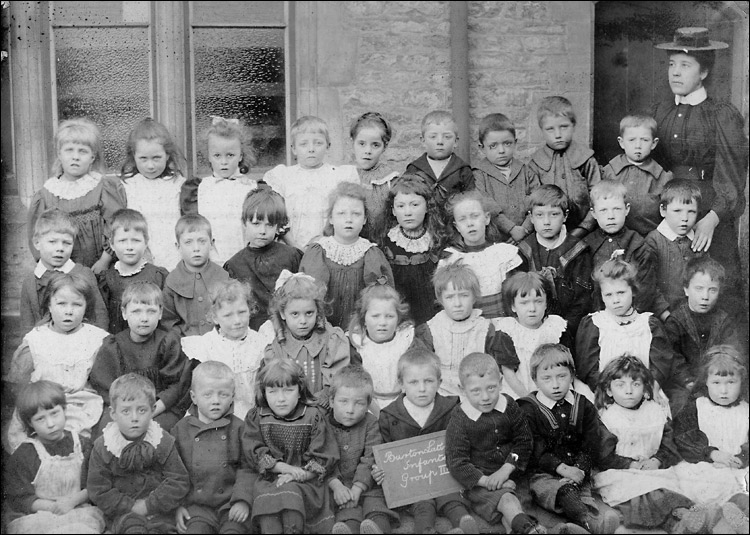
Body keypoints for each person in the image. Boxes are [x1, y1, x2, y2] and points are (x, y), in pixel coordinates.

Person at [652, 27, 748, 328]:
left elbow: (733, 174)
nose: (675, 73)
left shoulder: (721, 114)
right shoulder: (663, 111)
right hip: (674, 208)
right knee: (672, 285)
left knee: (714, 288)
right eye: (671, 65)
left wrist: (713, 218)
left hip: (710, 210)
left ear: (704, 71)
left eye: (685, 65)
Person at [593, 355, 714, 534]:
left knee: (665, 488)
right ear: (609, 391)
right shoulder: (607, 417)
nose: (629, 391)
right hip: (620, 472)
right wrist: (630, 464)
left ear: (645, 387)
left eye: (636, 384)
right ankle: (678, 523)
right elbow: (603, 456)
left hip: (654, 468)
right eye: (620, 385)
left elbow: (670, 446)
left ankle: (688, 520)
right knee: (643, 495)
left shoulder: (655, 412)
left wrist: (657, 460)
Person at [446, 353, 558, 535]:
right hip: (481, 483)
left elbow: (523, 441)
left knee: (517, 504)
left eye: (491, 388)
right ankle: (530, 529)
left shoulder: (509, 405)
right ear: (462, 388)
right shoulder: (460, 418)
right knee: (507, 501)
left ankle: (524, 528)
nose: (485, 397)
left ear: (500, 381)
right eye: (476, 391)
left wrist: (507, 469)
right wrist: (489, 482)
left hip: (513, 474)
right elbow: (458, 462)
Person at [517, 344, 620, 533]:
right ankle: (589, 525)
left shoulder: (583, 404)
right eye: (546, 378)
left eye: (562, 376)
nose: (555, 384)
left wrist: (580, 469)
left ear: (571, 375)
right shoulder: (528, 409)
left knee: (584, 494)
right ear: (535, 379)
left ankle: (590, 524)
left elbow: (591, 443)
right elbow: (534, 448)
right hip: (544, 473)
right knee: (564, 493)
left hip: (578, 469)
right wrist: (562, 469)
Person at [374, 348, 476, 534]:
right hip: (412, 484)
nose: (422, 389)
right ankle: (426, 530)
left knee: (452, 498)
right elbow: (384, 453)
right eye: (413, 382)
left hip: (446, 476)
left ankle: (464, 524)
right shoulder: (389, 416)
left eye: (428, 381)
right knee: (422, 504)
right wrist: (379, 468)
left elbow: (463, 441)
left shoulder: (451, 409)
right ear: (401, 384)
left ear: (439, 382)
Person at [5, 272, 109, 453]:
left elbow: (105, 381)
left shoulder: (96, 338)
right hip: (40, 404)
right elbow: (19, 385)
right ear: (49, 306)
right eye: (61, 304)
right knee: (26, 446)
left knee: (71, 444)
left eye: (77, 304)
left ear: (86, 307)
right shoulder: (37, 339)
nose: (69, 311)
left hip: (79, 404)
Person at [242, 357, 339, 534]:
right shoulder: (257, 417)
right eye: (273, 392)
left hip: (307, 482)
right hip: (271, 478)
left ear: (300, 390)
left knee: (290, 497)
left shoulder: (313, 416)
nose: (281, 399)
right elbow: (253, 450)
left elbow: (324, 456)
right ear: (264, 392)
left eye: (288, 390)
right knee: (269, 506)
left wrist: (299, 475)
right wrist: (284, 468)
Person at [576, 258, 685, 414]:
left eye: (621, 293)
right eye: (608, 295)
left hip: (645, 393)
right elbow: (588, 369)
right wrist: (610, 392)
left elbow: (661, 365)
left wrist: (650, 388)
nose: (616, 300)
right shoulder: (595, 324)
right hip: (604, 394)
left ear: (633, 291)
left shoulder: (648, 324)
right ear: (601, 296)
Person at [87, 373, 190, 533]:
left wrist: (149, 505)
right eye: (126, 411)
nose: (134, 418)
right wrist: (130, 506)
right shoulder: (104, 446)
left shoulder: (162, 440)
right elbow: (99, 489)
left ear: (153, 409)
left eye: (142, 410)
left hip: (160, 511)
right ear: (113, 413)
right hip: (123, 514)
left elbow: (178, 480)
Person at [4, 380, 105, 534]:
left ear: (64, 410)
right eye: (40, 419)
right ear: (30, 423)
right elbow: (19, 497)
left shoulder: (82, 445)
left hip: (78, 510)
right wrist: (52, 507)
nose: (50, 424)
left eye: (54, 414)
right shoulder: (25, 454)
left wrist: (73, 501)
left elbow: (95, 483)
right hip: (41, 515)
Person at [89, 281, 192, 433]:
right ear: (124, 313)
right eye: (136, 311)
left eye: (151, 311)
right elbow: (105, 386)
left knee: (161, 431)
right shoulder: (114, 345)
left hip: (159, 408)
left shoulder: (168, 341)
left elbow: (176, 385)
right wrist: (128, 412)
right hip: (124, 408)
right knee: (107, 430)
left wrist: (152, 411)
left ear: (160, 313)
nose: (144, 318)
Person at [27, 118, 126, 273]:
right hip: (60, 270)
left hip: (99, 267)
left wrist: (104, 261)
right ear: (59, 154)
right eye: (69, 150)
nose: (75, 157)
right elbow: (38, 237)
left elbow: (116, 225)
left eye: (83, 151)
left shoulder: (102, 187)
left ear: (92, 157)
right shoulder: (46, 194)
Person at [172, 361, 252, 534]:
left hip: (231, 505)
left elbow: (248, 468)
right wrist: (177, 507)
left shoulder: (239, 428)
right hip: (197, 507)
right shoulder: (181, 429)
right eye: (208, 395)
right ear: (194, 397)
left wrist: (243, 501)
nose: (216, 401)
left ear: (232, 396)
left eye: (223, 395)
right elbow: (173, 472)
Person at [299, 182, 394, 329]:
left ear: (364, 220)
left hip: (360, 328)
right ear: (330, 218)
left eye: (356, 214)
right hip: (322, 328)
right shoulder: (318, 252)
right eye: (341, 213)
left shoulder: (371, 253)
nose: (348, 219)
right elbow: (307, 296)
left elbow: (383, 298)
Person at [263, 115, 359, 250]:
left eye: (318, 143)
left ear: (328, 146)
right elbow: (279, 215)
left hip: (329, 244)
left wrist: (323, 241)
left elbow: (342, 213)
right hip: (291, 246)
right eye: (303, 144)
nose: (311, 149)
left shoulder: (337, 176)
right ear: (294, 148)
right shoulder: (284, 176)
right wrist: (295, 247)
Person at [672, 346, 749, 509]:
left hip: (739, 468)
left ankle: (733, 516)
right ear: (705, 381)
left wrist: (742, 458)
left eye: (731, 382)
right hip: (705, 466)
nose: (724, 390)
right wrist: (711, 453)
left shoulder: (746, 410)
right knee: (707, 485)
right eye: (716, 382)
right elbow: (683, 439)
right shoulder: (697, 407)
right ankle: (712, 516)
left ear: (741, 381)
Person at [262, 271, 355, 403]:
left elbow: (339, 374)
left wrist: (327, 393)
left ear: (318, 311)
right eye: (295, 314)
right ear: (283, 313)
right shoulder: (278, 345)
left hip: (324, 406)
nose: (303, 321)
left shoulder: (331, 338)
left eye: (309, 313)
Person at [327, 365, 398, 535]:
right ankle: (347, 530)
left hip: (368, 484)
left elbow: (370, 456)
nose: (350, 410)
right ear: (331, 401)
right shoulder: (323, 424)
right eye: (343, 401)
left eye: (359, 403)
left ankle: (377, 529)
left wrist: (358, 487)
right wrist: (337, 487)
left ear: (367, 404)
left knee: (376, 506)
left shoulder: (371, 423)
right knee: (347, 511)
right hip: (339, 486)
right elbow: (323, 458)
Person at [180, 280, 267, 420]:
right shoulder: (207, 345)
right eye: (228, 315)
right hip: (216, 413)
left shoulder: (261, 343)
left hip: (254, 412)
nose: (237, 320)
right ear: (215, 317)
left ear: (250, 311)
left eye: (242, 312)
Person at [517, 185, 593, 338]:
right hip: (530, 328)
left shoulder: (577, 251)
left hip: (567, 330)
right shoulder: (524, 251)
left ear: (565, 216)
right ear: (531, 217)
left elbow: (582, 302)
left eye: (554, 214)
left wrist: (563, 330)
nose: (546, 222)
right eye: (540, 215)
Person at [181, 116, 259, 265]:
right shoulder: (199, 189)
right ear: (209, 156)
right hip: (210, 262)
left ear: (241, 155)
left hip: (246, 259)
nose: (223, 162)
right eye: (217, 155)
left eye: (230, 155)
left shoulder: (251, 188)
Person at [223, 186, 303, 330]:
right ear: (244, 223)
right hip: (253, 332)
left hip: (289, 329)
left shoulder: (292, 256)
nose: (262, 231)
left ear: (278, 226)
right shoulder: (234, 265)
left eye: (269, 225)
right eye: (256, 224)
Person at [415, 262, 499, 397]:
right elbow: (421, 369)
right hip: (441, 394)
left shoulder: (485, 329)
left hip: (477, 394)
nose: (457, 304)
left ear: (474, 297)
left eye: (464, 295)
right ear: (441, 300)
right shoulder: (430, 329)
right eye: (450, 297)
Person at [21, 208, 108, 334]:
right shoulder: (30, 281)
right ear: (37, 242)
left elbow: (99, 314)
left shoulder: (84, 274)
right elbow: (26, 324)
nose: (60, 248)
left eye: (67, 243)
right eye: (52, 242)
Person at [582, 180, 662, 317]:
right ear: (594, 213)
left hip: (632, 316)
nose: (611, 216)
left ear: (627, 209)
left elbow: (646, 289)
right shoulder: (586, 245)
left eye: (617, 209)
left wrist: (631, 316)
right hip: (598, 317)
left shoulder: (638, 245)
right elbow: (584, 291)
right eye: (603, 210)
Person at [438, 190, 522, 319]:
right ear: (457, 226)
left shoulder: (502, 254)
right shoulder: (451, 258)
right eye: (462, 219)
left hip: (502, 322)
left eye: (475, 216)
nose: (470, 223)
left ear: (486, 218)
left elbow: (515, 294)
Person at [526, 96, 601, 237]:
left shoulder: (586, 159)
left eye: (564, 127)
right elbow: (534, 202)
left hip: (585, 232)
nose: (558, 135)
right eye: (550, 129)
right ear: (541, 130)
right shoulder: (535, 164)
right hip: (548, 233)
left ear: (573, 126)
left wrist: (584, 228)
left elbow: (598, 197)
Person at [665, 257, 745, 387]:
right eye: (699, 288)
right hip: (685, 384)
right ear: (686, 289)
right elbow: (672, 358)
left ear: (719, 292)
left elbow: (732, 353)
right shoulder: (676, 321)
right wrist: (687, 381)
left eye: (712, 290)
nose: (705, 297)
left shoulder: (724, 320)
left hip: (718, 383)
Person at [120, 117, 186, 270]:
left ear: (168, 155)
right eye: (143, 159)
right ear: (133, 156)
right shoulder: (128, 186)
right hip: (140, 255)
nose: (150, 165)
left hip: (173, 254)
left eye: (157, 158)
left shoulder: (179, 184)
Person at [493, 272, 569, 400]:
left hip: (555, 388)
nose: (532, 308)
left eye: (538, 301)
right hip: (521, 392)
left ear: (546, 304)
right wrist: (530, 400)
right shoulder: (508, 330)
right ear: (513, 306)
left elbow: (566, 365)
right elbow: (508, 372)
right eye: (524, 303)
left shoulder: (554, 327)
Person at [380, 174, 444, 325]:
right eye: (401, 206)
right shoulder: (386, 241)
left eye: (415, 205)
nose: (408, 212)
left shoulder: (438, 240)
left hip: (432, 312)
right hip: (399, 313)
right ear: (393, 211)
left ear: (427, 207)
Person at [347, 283, 421, 413]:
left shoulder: (405, 340)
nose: (382, 323)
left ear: (398, 318)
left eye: (389, 316)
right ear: (364, 318)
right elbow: (357, 385)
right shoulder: (357, 344)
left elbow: (416, 374)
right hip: (369, 405)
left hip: (404, 401)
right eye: (375, 316)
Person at [97, 208, 168, 334]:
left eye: (136, 240)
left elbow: (166, 315)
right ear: (112, 244)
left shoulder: (157, 276)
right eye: (122, 241)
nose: (129, 247)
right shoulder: (107, 279)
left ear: (146, 243)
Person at [599, 114, 673, 237]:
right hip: (612, 236)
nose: (638, 145)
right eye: (632, 140)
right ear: (621, 142)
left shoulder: (663, 178)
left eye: (644, 140)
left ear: (654, 144)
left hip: (648, 239)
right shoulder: (607, 172)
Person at [472, 112, 539, 244]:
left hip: (527, 238)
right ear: (482, 148)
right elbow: (486, 206)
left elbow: (537, 201)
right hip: (494, 240)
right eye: (493, 146)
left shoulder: (526, 171)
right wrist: (511, 229)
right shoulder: (479, 174)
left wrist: (524, 229)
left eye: (507, 144)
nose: (501, 150)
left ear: (515, 143)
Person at [161, 213, 230, 336]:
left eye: (202, 241)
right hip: (185, 344)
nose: (196, 248)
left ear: (212, 243)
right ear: (178, 246)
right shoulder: (172, 281)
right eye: (188, 242)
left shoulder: (222, 277)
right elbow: (168, 322)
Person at [644, 179, 705, 316]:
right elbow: (648, 285)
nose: (684, 218)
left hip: (693, 314)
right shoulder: (653, 241)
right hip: (664, 314)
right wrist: (664, 314)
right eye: (677, 211)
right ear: (663, 211)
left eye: (691, 212)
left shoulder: (697, 241)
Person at [404, 110, 474, 207]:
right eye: (433, 137)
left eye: (447, 137)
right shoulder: (414, 169)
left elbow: (471, 202)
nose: (440, 142)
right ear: (423, 141)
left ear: (456, 141)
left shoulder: (462, 170)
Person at [350, 112, 400, 241]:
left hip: (383, 244)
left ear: (385, 147)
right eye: (361, 144)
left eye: (375, 145)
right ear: (352, 142)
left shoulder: (390, 180)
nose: (367, 150)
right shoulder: (346, 175)